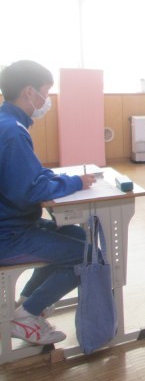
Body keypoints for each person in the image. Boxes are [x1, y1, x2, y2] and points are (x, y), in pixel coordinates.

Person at [0, 60, 97, 346]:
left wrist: (59, 178)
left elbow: (28, 175)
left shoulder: (9, 123)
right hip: (10, 234)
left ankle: (27, 301)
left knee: (77, 235)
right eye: (45, 91)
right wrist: (76, 183)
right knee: (88, 256)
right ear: (29, 92)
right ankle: (26, 316)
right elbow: (31, 191)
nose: (47, 99)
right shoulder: (13, 131)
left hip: (14, 223)